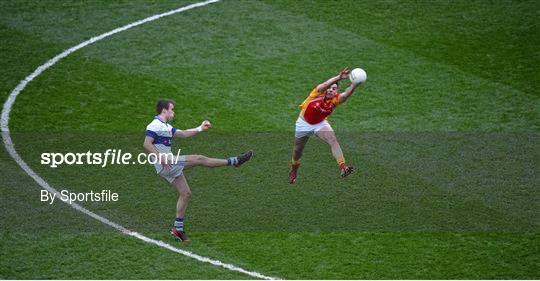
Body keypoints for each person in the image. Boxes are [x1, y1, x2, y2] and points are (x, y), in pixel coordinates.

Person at [144, 99, 253, 242]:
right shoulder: (155, 125)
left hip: (167, 163)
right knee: (199, 159)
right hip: (166, 162)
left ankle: (178, 229)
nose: (173, 112)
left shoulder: (165, 126)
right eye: (171, 109)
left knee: (186, 193)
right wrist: (160, 158)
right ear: (164, 110)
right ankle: (235, 161)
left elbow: (183, 134)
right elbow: (147, 143)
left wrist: (200, 128)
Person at [288, 67, 362, 184]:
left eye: (334, 89)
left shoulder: (335, 100)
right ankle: (294, 170)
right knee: (298, 150)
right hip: (303, 124)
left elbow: (346, 94)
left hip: (320, 124)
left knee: (332, 139)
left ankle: (343, 167)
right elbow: (325, 84)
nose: (331, 90)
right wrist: (339, 77)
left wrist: (354, 84)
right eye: (330, 88)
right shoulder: (317, 93)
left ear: (336, 91)